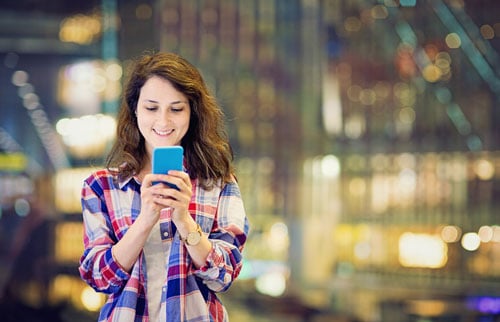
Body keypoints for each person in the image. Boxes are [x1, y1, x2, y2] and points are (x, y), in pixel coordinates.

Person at [78, 52, 249, 322]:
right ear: (135, 109)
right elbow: (100, 278)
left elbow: (223, 276)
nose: (163, 121)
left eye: (176, 108)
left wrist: (184, 219)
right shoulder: (101, 187)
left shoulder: (218, 183)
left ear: (193, 112)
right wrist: (146, 219)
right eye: (151, 107)